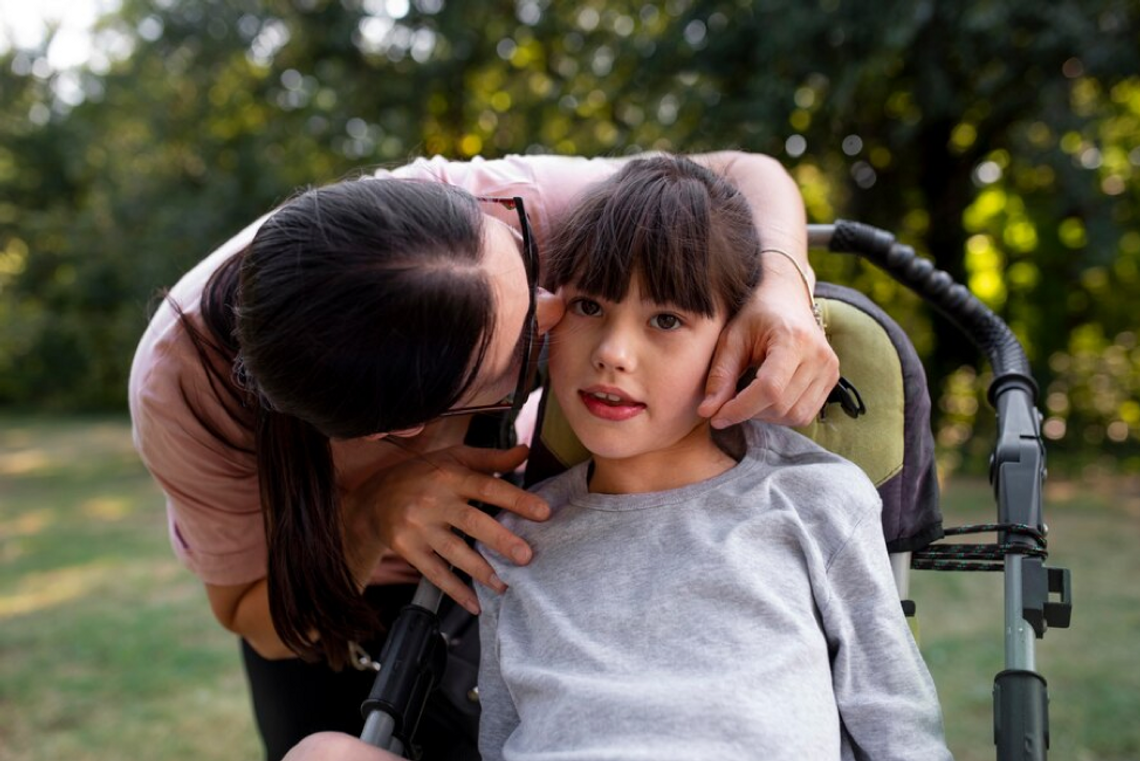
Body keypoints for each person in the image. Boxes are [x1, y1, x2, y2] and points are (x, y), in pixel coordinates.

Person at [128, 151, 837, 760]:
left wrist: (783, 282)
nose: (559, 307)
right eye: (531, 333)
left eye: (528, 263)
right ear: (412, 427)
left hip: (504, 555)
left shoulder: (482, 214)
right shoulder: (182, 390)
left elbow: (745, 172)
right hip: (330, 599)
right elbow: (251, 612)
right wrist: (373, 518)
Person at [474, 156, 952, 760]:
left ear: (737, 342)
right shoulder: (512, 539)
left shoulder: (813, 501)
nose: (614, 353)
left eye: (666, 319)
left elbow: (898, 726)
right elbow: (498, 738)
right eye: (589, 307)